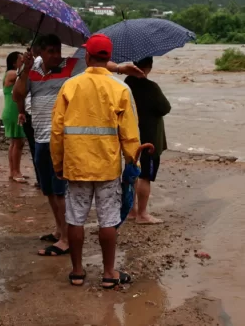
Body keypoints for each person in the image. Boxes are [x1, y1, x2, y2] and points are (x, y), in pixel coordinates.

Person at [12, 34, 144, 257]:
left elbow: (98, 64)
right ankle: (59, 229)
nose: (56, 55)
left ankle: (66, 239)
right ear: (39, 52)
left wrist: (121, 68)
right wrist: (24, 69)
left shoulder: (71, 68)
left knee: (62, 192)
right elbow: (18, 95)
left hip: (62, 139)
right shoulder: (31, 70)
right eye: (50, 51)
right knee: (49, 190)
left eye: (57, 50)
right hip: (41, 136)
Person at [51, 34, 152, 287]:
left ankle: (76, 272)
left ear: (87, 56)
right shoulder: (121, 88)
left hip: (76, 165)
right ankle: (109, 274)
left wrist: (58, 163)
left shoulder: (70, 86)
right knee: (108, 220)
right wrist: (133, 163)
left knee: (75, 218)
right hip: (107, 167)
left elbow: (56, 130)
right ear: (110, 58)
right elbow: (130, 133)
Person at [125, 57, 171, 225]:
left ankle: (131, 210)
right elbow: (165, 108)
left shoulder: (126, 83)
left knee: (133, 173)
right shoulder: (151, 87)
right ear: (149, 66)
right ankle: (142, 214)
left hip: (130, 136)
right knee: (145, 176)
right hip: (150, 139)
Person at [20, 41, 43, 187]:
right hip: (30, 111)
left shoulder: (37, 63)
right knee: (37, 148)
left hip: (32, 112)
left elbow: (20, 91)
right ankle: (42, 180)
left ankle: (41, 180)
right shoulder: (30, 65)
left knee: (36, 148)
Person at [3, 51, 26, 183]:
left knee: (14, 143)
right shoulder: (12, 73)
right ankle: (16, 172)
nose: (22, 62)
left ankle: (13, 171)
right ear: (14, 62)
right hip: (13, 111)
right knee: (19, 143)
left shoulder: (13, 73)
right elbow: (25, 76)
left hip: (11, 110)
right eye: (21, 60)